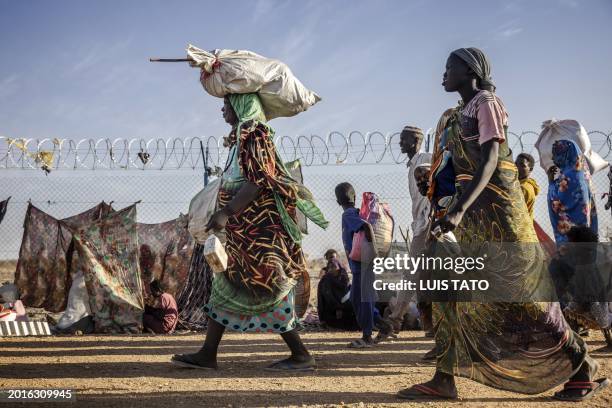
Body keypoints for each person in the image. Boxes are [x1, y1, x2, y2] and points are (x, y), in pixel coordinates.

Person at [399, 47, 608, 402]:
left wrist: (459, 208)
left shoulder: (486, 103)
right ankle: (444, 377)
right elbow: (451, 167)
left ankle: (582, 367)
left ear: (472, 71)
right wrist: (437, 188)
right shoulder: (451, 117)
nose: (444, 73)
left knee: (523, 297)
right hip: (467, 216)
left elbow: (491, 157)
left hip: (498, 214)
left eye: (451, 67)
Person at [172, 93, 328, 371]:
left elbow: (257, 182)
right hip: (242, 233)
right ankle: (208, 353)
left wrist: (225, 212)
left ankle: (301, 354)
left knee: (268, 287)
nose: (222, 109)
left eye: (227, 103)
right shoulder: (240, 137)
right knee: (226, 284)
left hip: (260, 234)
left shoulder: (255, 133)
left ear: (242, 105)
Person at [377, 127, 434, 342]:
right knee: (422, 278)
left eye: (404, 139)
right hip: (421, 223)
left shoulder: (424, 159)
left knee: (411, 274)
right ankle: (429, 327)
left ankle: (393, 322)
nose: (400, 143)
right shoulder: (411, 165)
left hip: (428, 222)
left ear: (416, 140)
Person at [335, 182, 388, 347]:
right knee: (360, 299)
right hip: (362, 265)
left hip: (362, 265)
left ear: (337, 201)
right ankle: (384, 325)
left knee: (362, 300)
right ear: (355, 197)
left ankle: (367, 336)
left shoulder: (348, 214)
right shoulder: (356, 212)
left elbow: (366, 226)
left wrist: (372, 248)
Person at [547, 140, 598, 244]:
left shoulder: (570, 175)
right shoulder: (582, 172)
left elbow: (558, 203)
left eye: (556, 154)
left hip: (573, 236)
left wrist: (551, 183)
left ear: (565, 154)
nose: (553, 158)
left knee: (574, 257)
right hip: (585, 232)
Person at [317, 256, 357, 330]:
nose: (331, 269)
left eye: (334, 266)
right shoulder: (326, 280)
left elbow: (348, 294)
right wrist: (338, 308)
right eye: (329, 267)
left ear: (339, 268)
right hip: (331, 311)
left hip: (344, 308)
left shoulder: (344, 278)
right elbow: (329, 299)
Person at [516, 152, 540, 219]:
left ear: (530, 169)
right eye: (516, 164)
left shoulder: (524, 188)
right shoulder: (517, 183)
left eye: (522, 165)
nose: (517, 167)